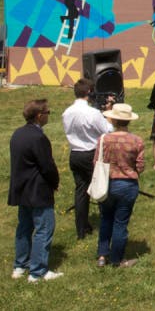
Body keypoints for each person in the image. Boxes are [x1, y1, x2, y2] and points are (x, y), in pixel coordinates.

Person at [9, 99, 63, 282]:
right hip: (38, 190)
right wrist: (55, 182)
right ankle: (38, 271)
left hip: (22, 189)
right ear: (39, 116)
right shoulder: (39, 137)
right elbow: (47, 165)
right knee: (44, 228)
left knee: (24, 227)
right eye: (48, 112)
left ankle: (20, 265)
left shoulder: (17, 134)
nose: (49, 115)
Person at [95, 103, 145, 268]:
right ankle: (117, 259)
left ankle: (102, 255)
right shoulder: (137, 141)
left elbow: (96, 161)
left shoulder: (103, 139)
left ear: (114, 120)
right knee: (120, 222)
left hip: (107, 183)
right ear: (128, 121)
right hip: (127, 184)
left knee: (106, 219)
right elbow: (140, 166)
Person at [62, 78, 112, 240]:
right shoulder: (93, 113)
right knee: (102, 187)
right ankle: (107, 220)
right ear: (89, 92)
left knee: (81, 190)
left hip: (75, 153)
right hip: (91, 153)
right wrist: (109, 114)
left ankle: (81, 228)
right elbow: (107, 130)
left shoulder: (67, 112)